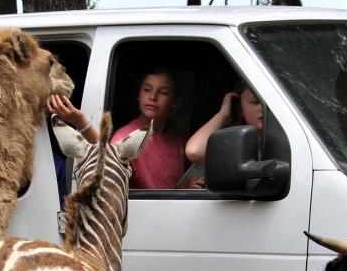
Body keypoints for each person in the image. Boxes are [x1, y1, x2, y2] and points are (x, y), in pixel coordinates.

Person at [49, 67, 190, 190]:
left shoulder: (177, 139)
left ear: (175, 101)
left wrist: (182, 189)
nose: (152, 97)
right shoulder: (127, 136)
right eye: (147, 90)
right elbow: (109, 165)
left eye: (163, 92)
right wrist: (81, 122)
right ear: (139, 95)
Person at [179, 81, 265, 188]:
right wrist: (223, 115)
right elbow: (194, 151)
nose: (263, 108)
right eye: (255, 102)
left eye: (268, 102)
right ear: (239, 109)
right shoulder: (231, 144)